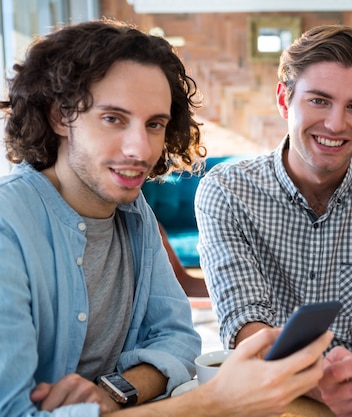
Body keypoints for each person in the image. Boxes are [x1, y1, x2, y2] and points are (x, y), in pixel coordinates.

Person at [0, 19, 332, 417]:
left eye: (154, 124)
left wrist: (113, 392)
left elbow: (176, 339)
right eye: (113, 119)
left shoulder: (133, 211)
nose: (141, 149)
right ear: (59, 116)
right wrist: (214, 402)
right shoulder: (8, 226)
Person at [195, 24, 352, 416]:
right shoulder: (226, 192)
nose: (336, 124)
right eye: (319, 101)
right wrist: (318, 380)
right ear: (284, 99)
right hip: (270, 400)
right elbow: (244, 323)